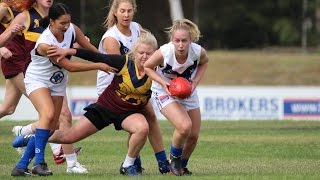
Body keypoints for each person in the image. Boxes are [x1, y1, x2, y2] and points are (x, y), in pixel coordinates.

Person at [10, 2, 117, 176]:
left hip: (57, 83)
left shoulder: (72, 29)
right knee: (49, 114)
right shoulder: (45, 43)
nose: (66, 27)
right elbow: (70, 66)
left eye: (68, 22)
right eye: (62, 23)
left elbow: (91, 50)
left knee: (52, 128)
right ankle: (39, 163)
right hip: (37, 80)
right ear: (51, 21)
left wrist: (110, 60)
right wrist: (100, 65)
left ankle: (21, 166)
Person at [43, 31, 159, 176]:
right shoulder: (123, 62)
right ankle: (35, 137)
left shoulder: (159, 67)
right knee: (68, 137)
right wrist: (67, 50)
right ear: (134, 52)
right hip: (106, 108)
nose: (144, 57)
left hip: (129, 113)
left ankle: (127, 165)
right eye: (141, 52)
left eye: (149, 53)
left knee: (142, 128)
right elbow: (95, 56)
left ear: (155, 53)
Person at [0, 0, 88, 175]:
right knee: (56, 115)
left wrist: (77, 46)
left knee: (10, 109)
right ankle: (68, 162)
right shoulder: (21, 15)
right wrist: (2, 48)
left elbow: (68, 45)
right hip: (29, 71)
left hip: (52, 75)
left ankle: (23, 137)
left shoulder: (62, 19)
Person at [97, 0, 169, 174]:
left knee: (146, 118)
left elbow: (151, 48)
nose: (126, 15)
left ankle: (156, 162)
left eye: (129, 11)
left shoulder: (137, 28)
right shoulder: (111, 38)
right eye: (122, 11)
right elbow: (121, 70)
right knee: (142, 120)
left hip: (134, 84)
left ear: (134, 12)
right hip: (113, 88)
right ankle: (144, 162)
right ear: (115, 12)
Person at [144, 18, 209, 176]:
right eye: (177, 40)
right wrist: (163, 83)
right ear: (172, 40)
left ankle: (180, 167)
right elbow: (147, 67)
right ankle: (173, 160)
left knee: (193, 136)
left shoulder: (197, 51)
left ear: (190, 40)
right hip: (164, 91)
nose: (180, 45)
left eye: (184, 41)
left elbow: (204, 63)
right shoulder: (165, 52)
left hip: (187, 91)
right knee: (184, 126)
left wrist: (194, 83)